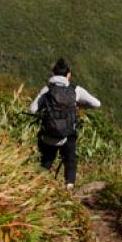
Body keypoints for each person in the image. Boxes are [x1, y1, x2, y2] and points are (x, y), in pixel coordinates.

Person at [30, 57, 100, 189]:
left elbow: (32, 109)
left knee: (46, 161)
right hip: (67, 135)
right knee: (70, 159)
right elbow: (97, 103)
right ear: (68, 75)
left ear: (53, 74)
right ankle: (69, 187)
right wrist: (79, 106)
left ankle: (36, 187)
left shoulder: (47, 90)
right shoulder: (75, 90)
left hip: (48, 135)